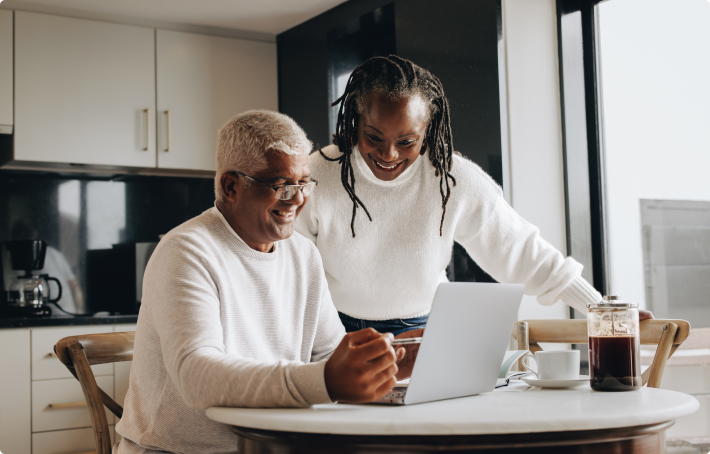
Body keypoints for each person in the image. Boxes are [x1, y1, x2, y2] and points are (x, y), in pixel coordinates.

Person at [296, 55, 652, 336]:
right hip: (335, 330)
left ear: (427, 131)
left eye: (406, 142)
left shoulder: (452, 179)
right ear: (355, 121)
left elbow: (522, 252)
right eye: (374, 137)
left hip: (425, 330)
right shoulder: (317, 175)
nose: (389, 154)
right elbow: (289, 269)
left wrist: (600, 307)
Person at [115, 111, 404, 454]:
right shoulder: (186, 251)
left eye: (303, 184)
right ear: (232, 186)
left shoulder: (303, 254)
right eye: (280, 184)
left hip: (272, 446)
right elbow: (196, 377)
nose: (297, 199)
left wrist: (385, 367)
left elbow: (328, 354)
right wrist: (326, 380)